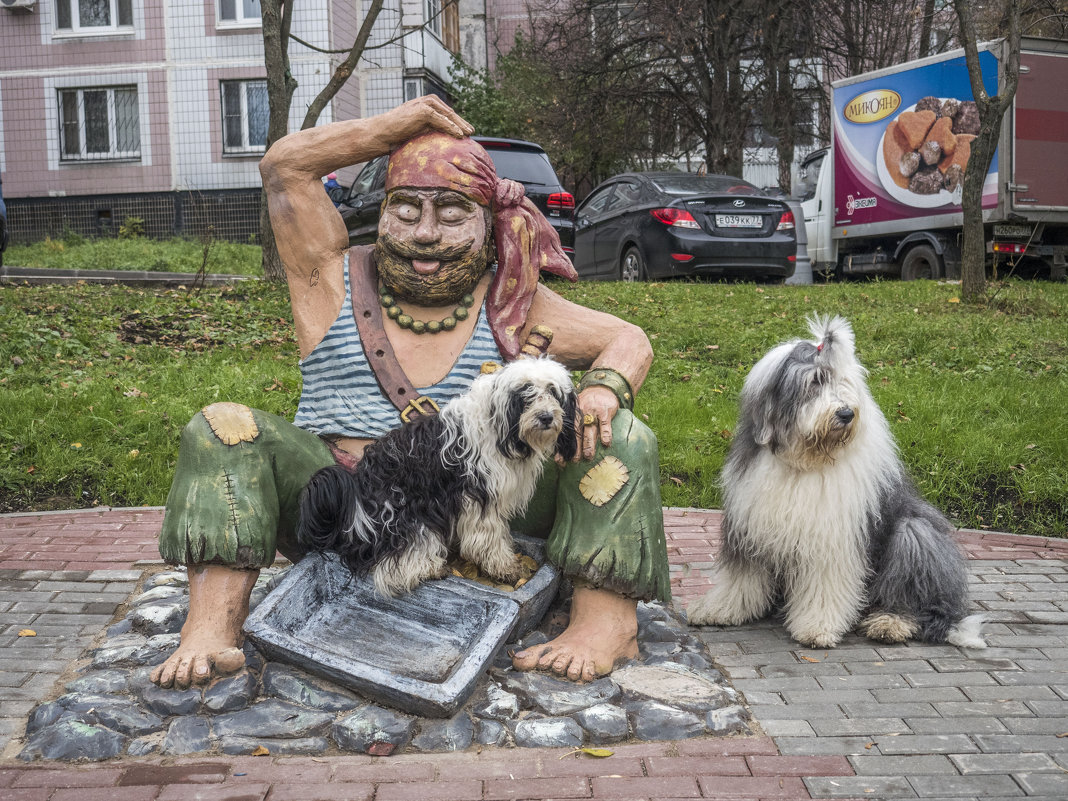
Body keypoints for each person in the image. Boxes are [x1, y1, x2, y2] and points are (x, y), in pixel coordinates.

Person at [151, 96, 670, 691]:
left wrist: (604, 387)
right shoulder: (328, 276)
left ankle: (604, 622)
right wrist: (395, 127)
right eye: (406, 210)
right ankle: (211, 625)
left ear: (487, 225)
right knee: (221, 425)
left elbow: (629, 340)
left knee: (621, 435)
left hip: (485, 503)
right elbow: (283, 168)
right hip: (345, 503)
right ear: (382, 211)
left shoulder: (513, 298)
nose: (425, 233)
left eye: (451, 215)